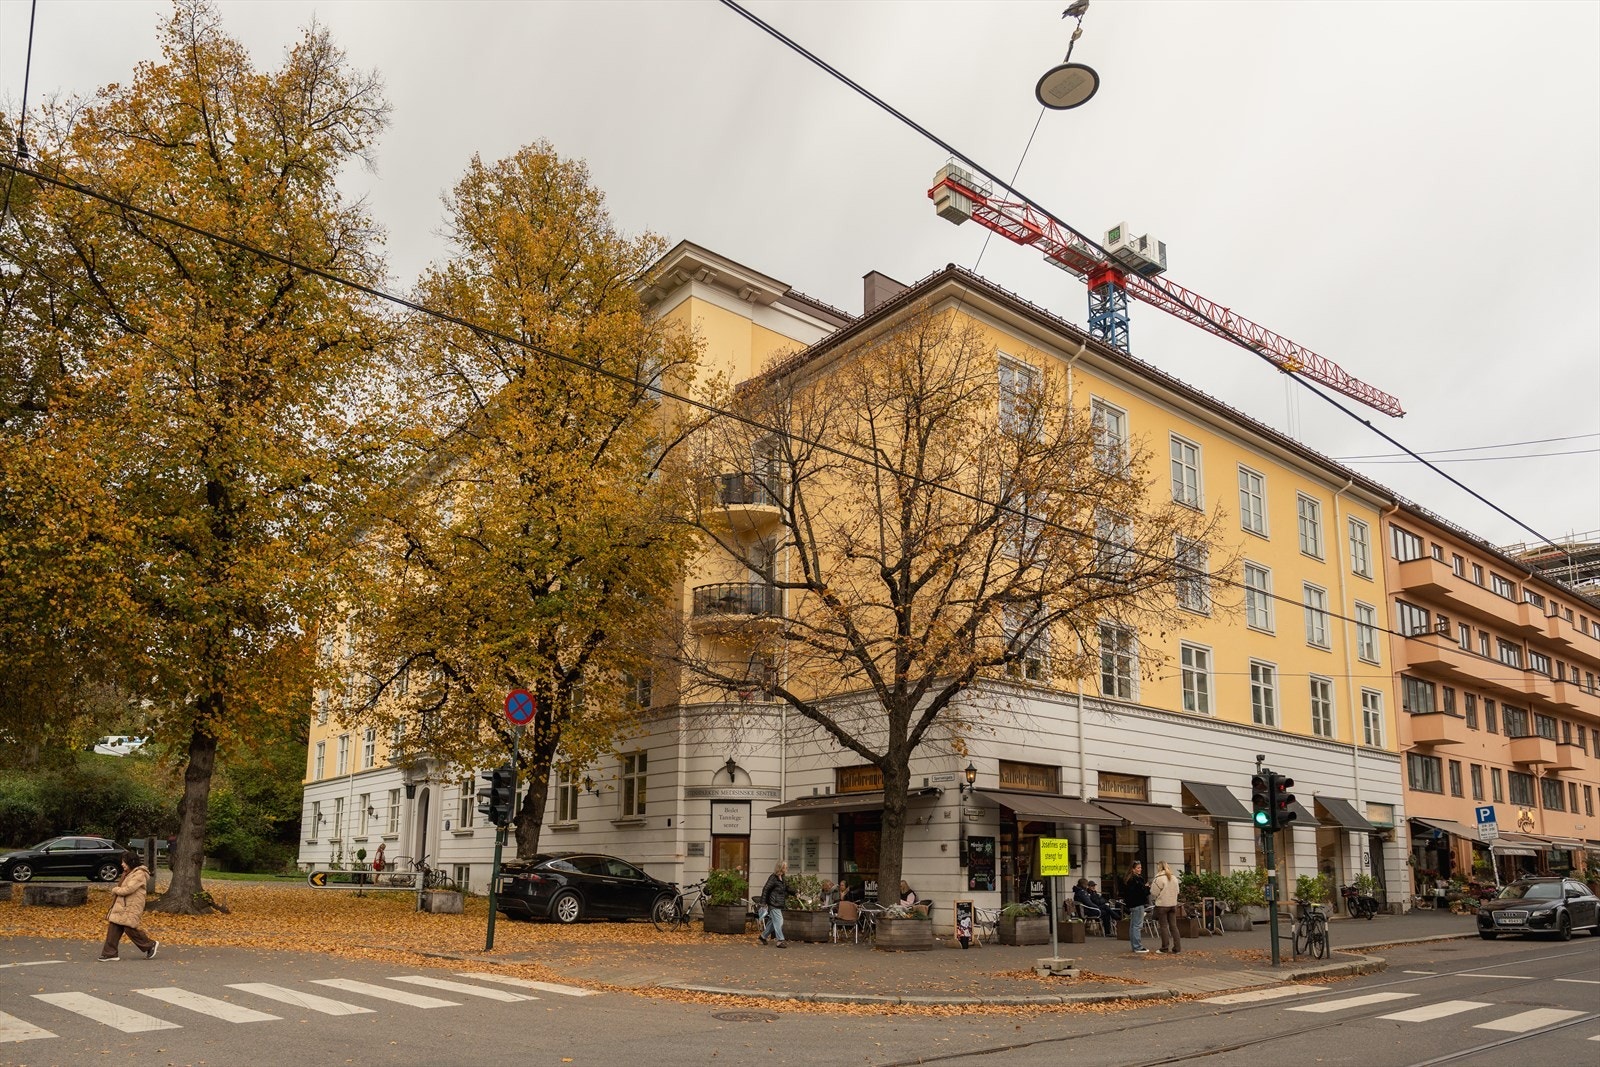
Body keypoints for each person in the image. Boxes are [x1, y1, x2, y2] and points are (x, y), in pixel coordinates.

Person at [99, 851, 159, 962]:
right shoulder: (128, 873)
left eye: (124, 862)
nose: (122, 864)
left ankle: (150, 945)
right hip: (123, 905)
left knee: (129, 928)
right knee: (114, 926)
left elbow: (129, 889)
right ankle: (110, 953)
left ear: (131, 862)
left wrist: (115, 890)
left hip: (132, 906)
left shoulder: (139, 874)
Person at [1151, 860, 1181, 954]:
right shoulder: (1174, 877)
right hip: (1172, 905)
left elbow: (1153, 892)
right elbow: (1178, 891)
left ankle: (1164, 948)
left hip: (1162, 905)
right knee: (1173, 926)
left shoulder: (1158, 878)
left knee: (1163, 927)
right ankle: (1177, 948)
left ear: (1159, 867)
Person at [1122, 860, 1151, 954]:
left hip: (1132, 904)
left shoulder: (1128, 879)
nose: (1140, 869)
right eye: (1138, 868)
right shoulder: (1136, 880)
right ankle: (1137, 946)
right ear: (1133, 869)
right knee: (1137, 926)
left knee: (1133, 926)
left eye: (1140, 867)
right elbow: (1142, 893)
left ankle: (1134, 946)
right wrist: (1147, 888)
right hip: (1138, 904)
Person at [759, 861, 789, 947]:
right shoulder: (773, 878)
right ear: (780, 868)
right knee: (779, 921)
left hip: (778, 903)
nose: (786, 869)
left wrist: (795, 893)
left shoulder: (782, 878)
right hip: (773, 903)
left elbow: (787, 888)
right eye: (785, 867)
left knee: (772, 923)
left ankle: (763, 936)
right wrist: (763, 903)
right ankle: (780, 940)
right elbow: (766, 889)